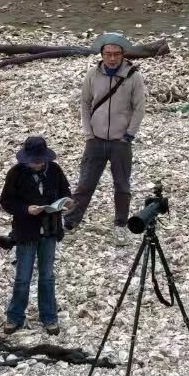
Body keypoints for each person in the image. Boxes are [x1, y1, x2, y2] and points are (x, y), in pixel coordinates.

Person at [65, 32, 147, 243]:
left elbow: (139, 108)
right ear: (102, 54)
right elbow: (85, 103)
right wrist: (88, 133)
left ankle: (120, 224)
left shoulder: (133, 77)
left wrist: (129, 135)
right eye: (108, 54)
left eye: (116, 54)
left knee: (122, 186)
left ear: (123, 54)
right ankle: (71, 220)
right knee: (85, 183)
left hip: (121, 142)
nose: (112, 58)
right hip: (96, 140)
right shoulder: (93, 74)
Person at [0, 136, 73, 336]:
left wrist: (67, 202)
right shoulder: (15, 173)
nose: (37, 164)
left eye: (39, 160)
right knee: (23, 277)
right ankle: (15, 316)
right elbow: (6, 201)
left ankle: (49, 316)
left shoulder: (54, 170)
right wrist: (26, 209)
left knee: (47, 276)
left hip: (50, 229)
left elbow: (65, 192)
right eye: (33, 161)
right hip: (26, 231)